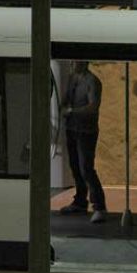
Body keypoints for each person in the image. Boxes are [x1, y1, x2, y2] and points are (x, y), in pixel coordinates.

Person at [60, 61, 106, 223]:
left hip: (86, 132)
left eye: (75, 60)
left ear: (84, 62)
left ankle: (99, 206)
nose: (72, 63)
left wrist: (72, 111)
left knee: (86, 168)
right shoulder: (73, 78)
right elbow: (65, 100)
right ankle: (80, 201)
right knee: (75, 167)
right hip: (72, 129)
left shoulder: (92, 81)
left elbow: (93, 107)